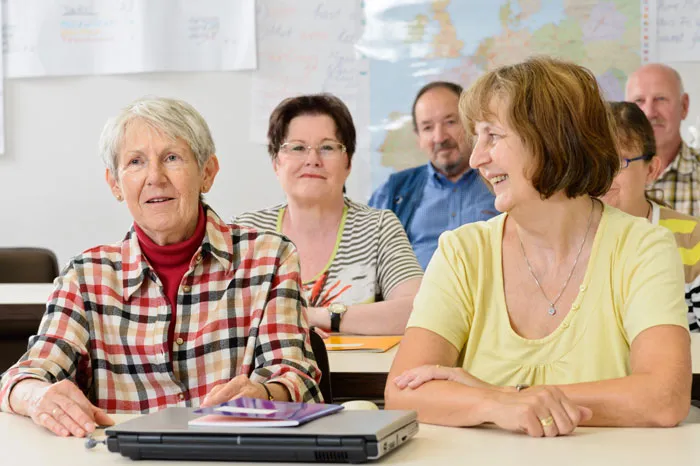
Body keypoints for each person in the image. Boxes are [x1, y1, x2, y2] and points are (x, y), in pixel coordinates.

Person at [385, 57, 691, 437]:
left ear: (553, 139)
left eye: (492, 136)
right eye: (476, 137)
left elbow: (664, 397)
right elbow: (402, 392)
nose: (477, 157)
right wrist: (499, 406)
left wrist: (509, 396)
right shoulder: (462, 252)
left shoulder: (643, 246)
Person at [0, 97, 322, 438]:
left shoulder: (269, 258)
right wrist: (35, 395)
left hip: (230, 455)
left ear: (207, 173)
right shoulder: (85, 276)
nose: (155, 177)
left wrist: (265, 394)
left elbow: (294, 373)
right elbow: (24, 376)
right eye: (135, 162)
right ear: (115, 184)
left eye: (172, 158)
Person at [234, 94, 423, 335]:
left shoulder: (377, 227)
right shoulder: (248, 231)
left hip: (357, 372)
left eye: (327, 147)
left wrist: (315, 316)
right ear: (276, 163)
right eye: (298, 148)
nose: (312, 160)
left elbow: (418, 311)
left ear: (348, 163)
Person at [368, 81, 497, 269]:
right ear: (418, 137)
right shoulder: (393, 192)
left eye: (450, 122)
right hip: (414, 298)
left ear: (472, 125)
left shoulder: (500, 181)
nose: (440, 137)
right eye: (427, 128)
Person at [601, 101, 700, 332]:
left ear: (651, 170)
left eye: (618, 162)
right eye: (593, 162)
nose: (602, 176)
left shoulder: (692, 239)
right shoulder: (568, 240)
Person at [625, 63, 700, 216]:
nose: (649, 113)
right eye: (639, 101)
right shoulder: (608, 178)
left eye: (661, 99)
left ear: (684, 106)